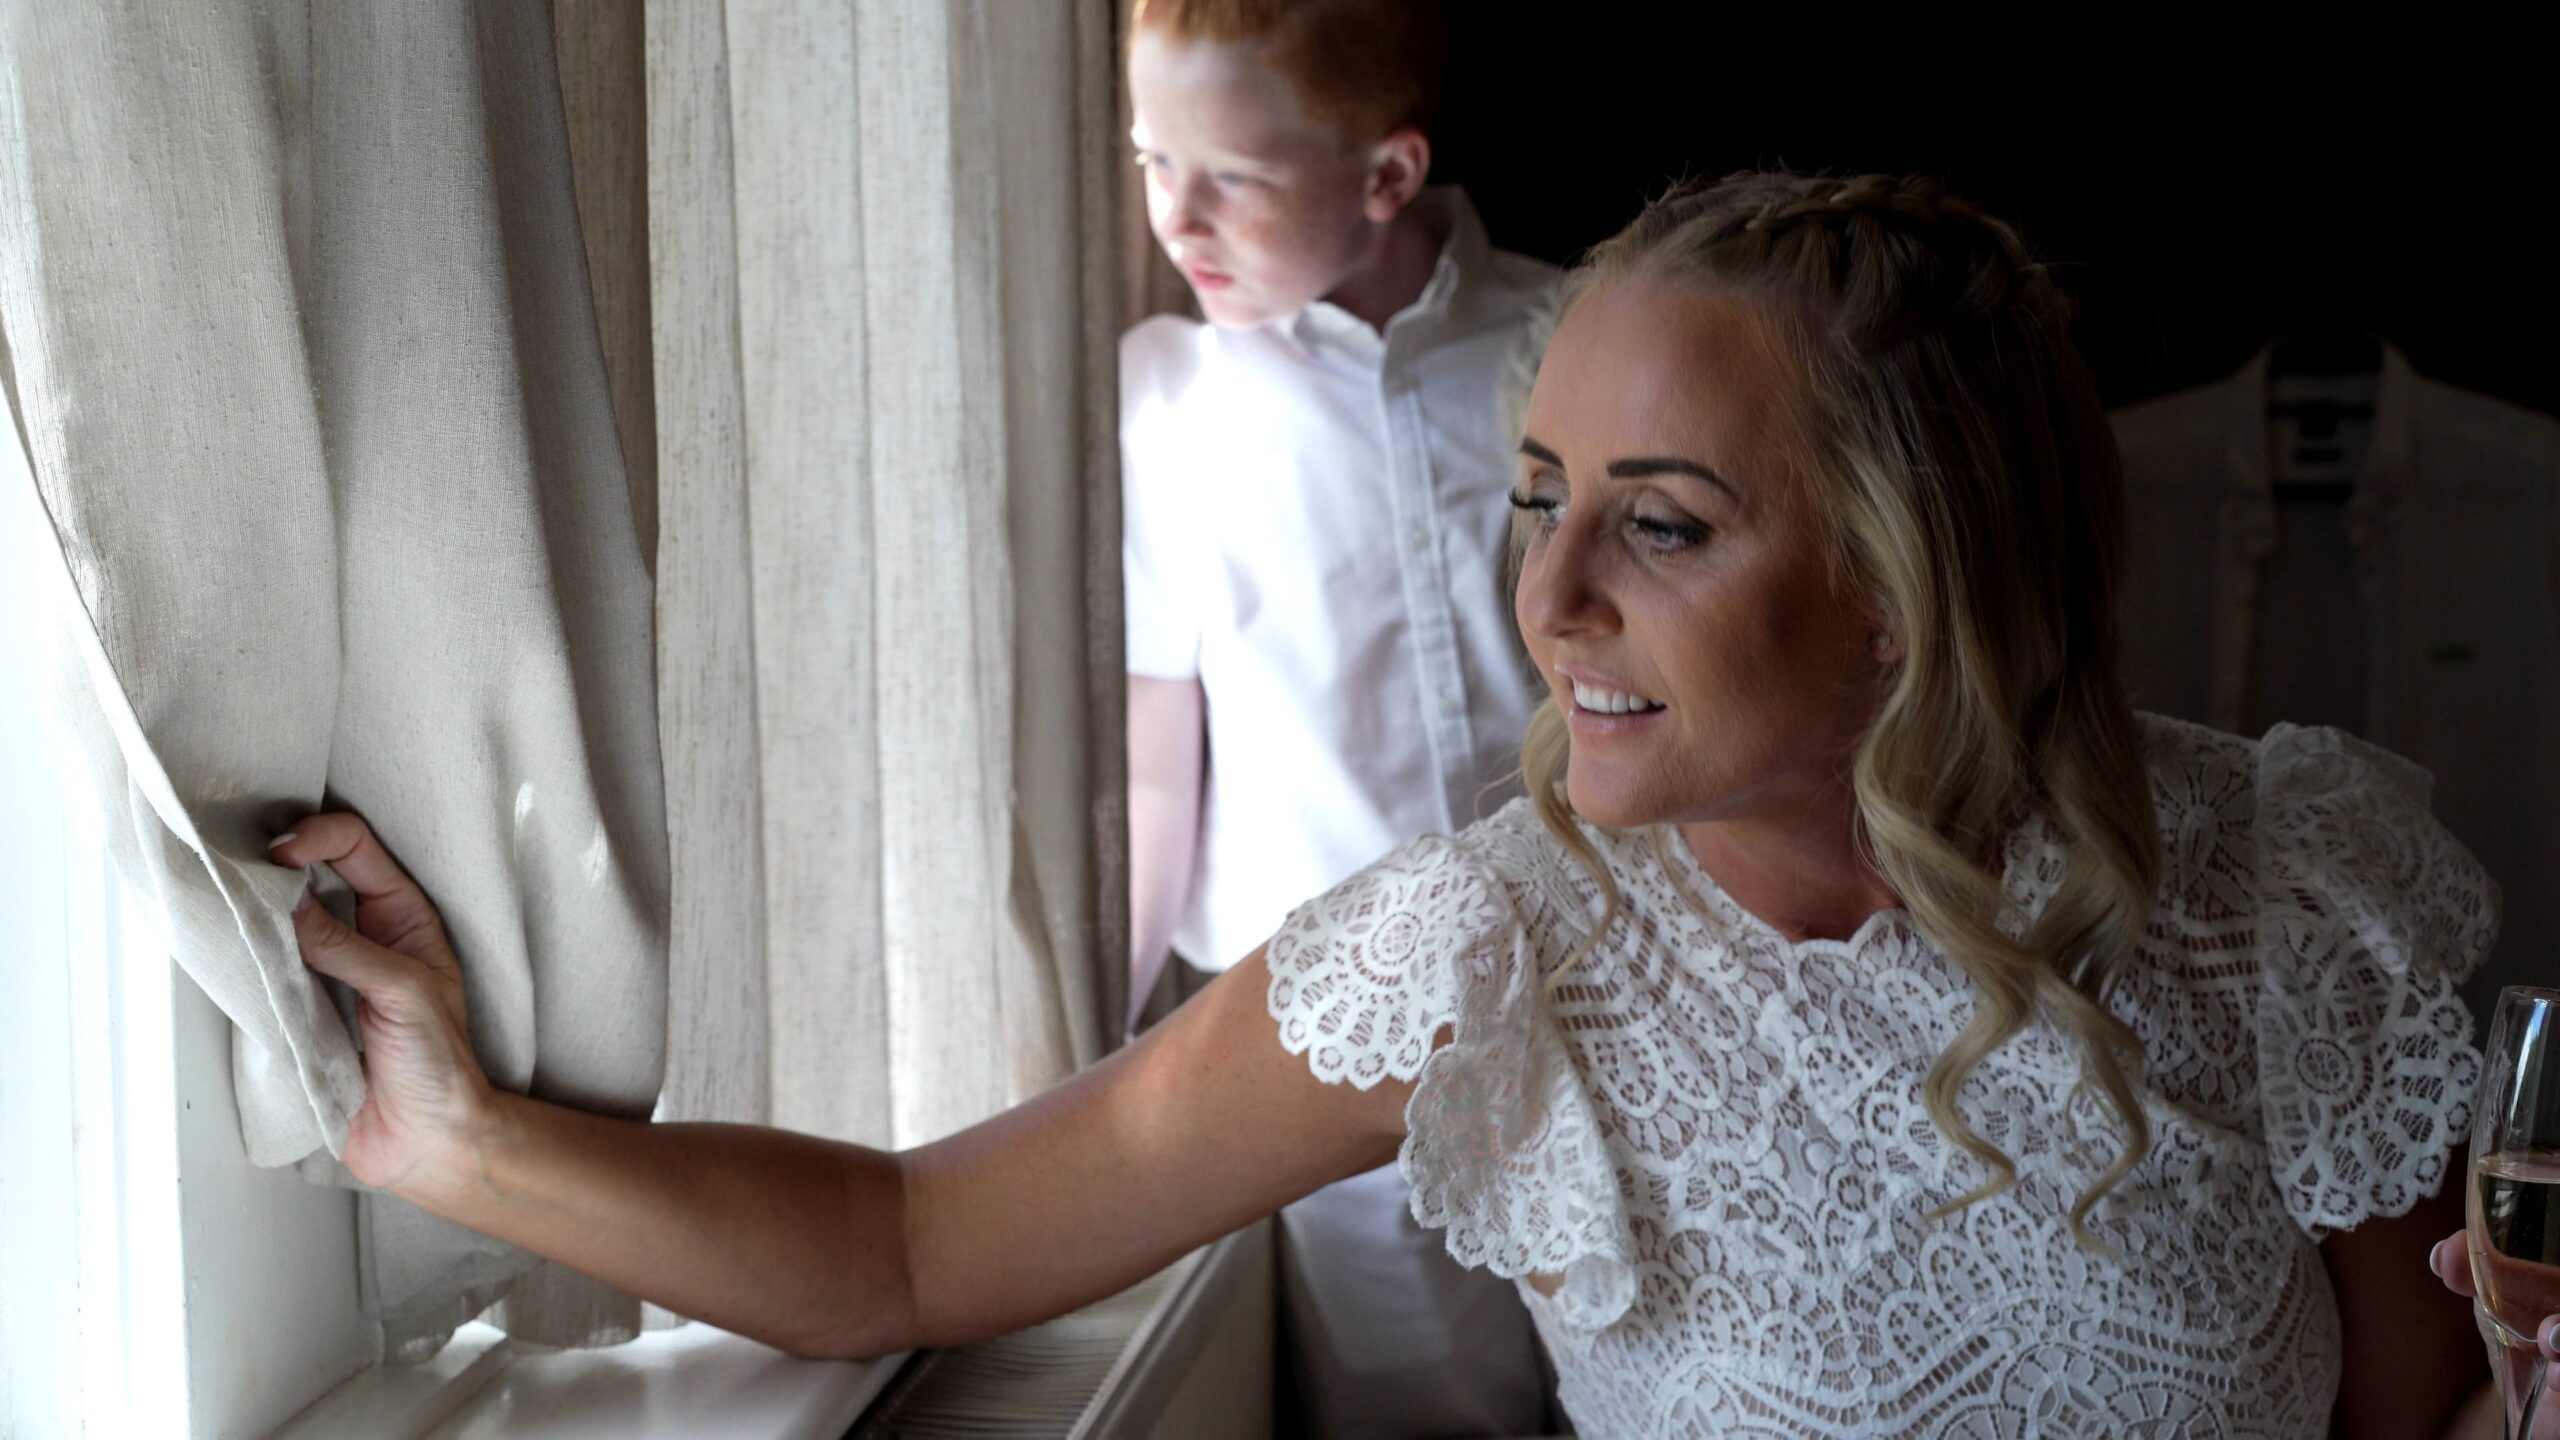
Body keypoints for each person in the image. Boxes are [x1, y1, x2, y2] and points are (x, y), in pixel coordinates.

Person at [274, 170, 2559, 1437]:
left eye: (1655, 523)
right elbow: (906, 1252)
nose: (1539, 593)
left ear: (1895, 591)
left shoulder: (2279, 893)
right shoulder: (1488, 952)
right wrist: (454, 1141)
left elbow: (2412, 1420)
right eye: (1536, 491)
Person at [1117, 0, 1554, 1431]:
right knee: (1415, 1406)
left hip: (1592, 998)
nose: (1176, 213)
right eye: (1147, 157)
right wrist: (1112, 1043)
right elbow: (1155, 773)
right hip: (1335, 1062)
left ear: (1385, 177)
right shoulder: (1169, 410)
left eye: (1229, 175)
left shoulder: (1569, 342)